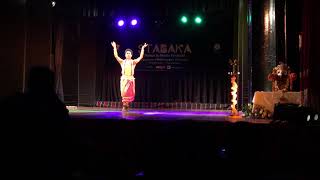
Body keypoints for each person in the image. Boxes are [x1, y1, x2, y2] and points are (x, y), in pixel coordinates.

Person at [111, 41, 148, 111]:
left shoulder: (133, 62)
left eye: (129, 53)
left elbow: (140, 57)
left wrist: (143, 48)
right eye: (127, 53)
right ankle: (125, 105)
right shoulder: (122, 61)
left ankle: (126, 105)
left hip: (130, 79)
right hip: (124, 78)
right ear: (125, 55)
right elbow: (116, 56)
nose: (128, 54)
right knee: (124, 93)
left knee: (129, 93)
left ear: (131, 55)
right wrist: (114, 47)